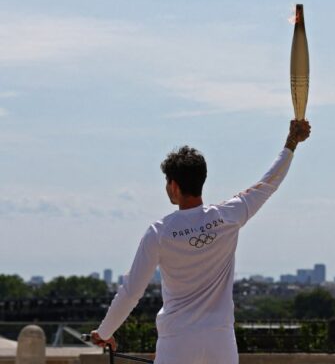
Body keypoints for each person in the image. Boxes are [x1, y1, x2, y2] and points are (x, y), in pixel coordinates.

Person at [89, 120, 311, 364]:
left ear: (173, 185)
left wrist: (105, 333)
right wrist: (291, 143)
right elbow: (269, 183)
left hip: (177, 342)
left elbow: (131, 292)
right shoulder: (228, 216)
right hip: (221, 342)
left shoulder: (158, 233)